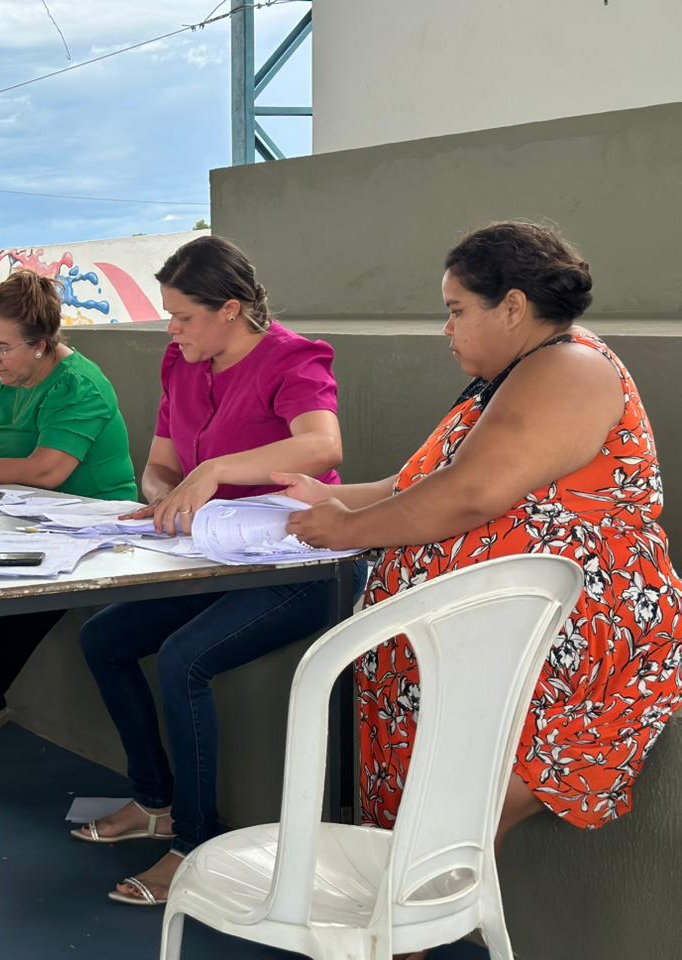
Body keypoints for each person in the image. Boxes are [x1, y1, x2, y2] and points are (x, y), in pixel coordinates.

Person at [284, 222, 682, 921]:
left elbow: (472, 494)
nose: (447, 328)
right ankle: (404, 936)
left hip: (566, 647)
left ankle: (403, 940)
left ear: (514, 307)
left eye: (457, 308)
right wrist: (324, 500)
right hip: (478, 648)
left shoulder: (571, 368)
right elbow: (417, 486)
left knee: (450, 822)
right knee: (437, 826)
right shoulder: (504, 382)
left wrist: (346, 530)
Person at [73, 235, 362, 906]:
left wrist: (214, 472)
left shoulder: (295, 357)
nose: (171, 330)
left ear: (230, 309)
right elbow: (161, 466)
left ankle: (194, 847)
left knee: (182, 660)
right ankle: (155, 802)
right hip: (214, 558)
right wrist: (163, 498)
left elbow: (323, 446)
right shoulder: (181, 361)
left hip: (302, 564)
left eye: (184, 316)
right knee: (104, 639)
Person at [0, 270, 138, 765]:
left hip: (92, 531)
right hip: (23, 523)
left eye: (1, 348)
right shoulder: (3, 380)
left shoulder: (79, 385)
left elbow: (47, 470)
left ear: (40, 345)